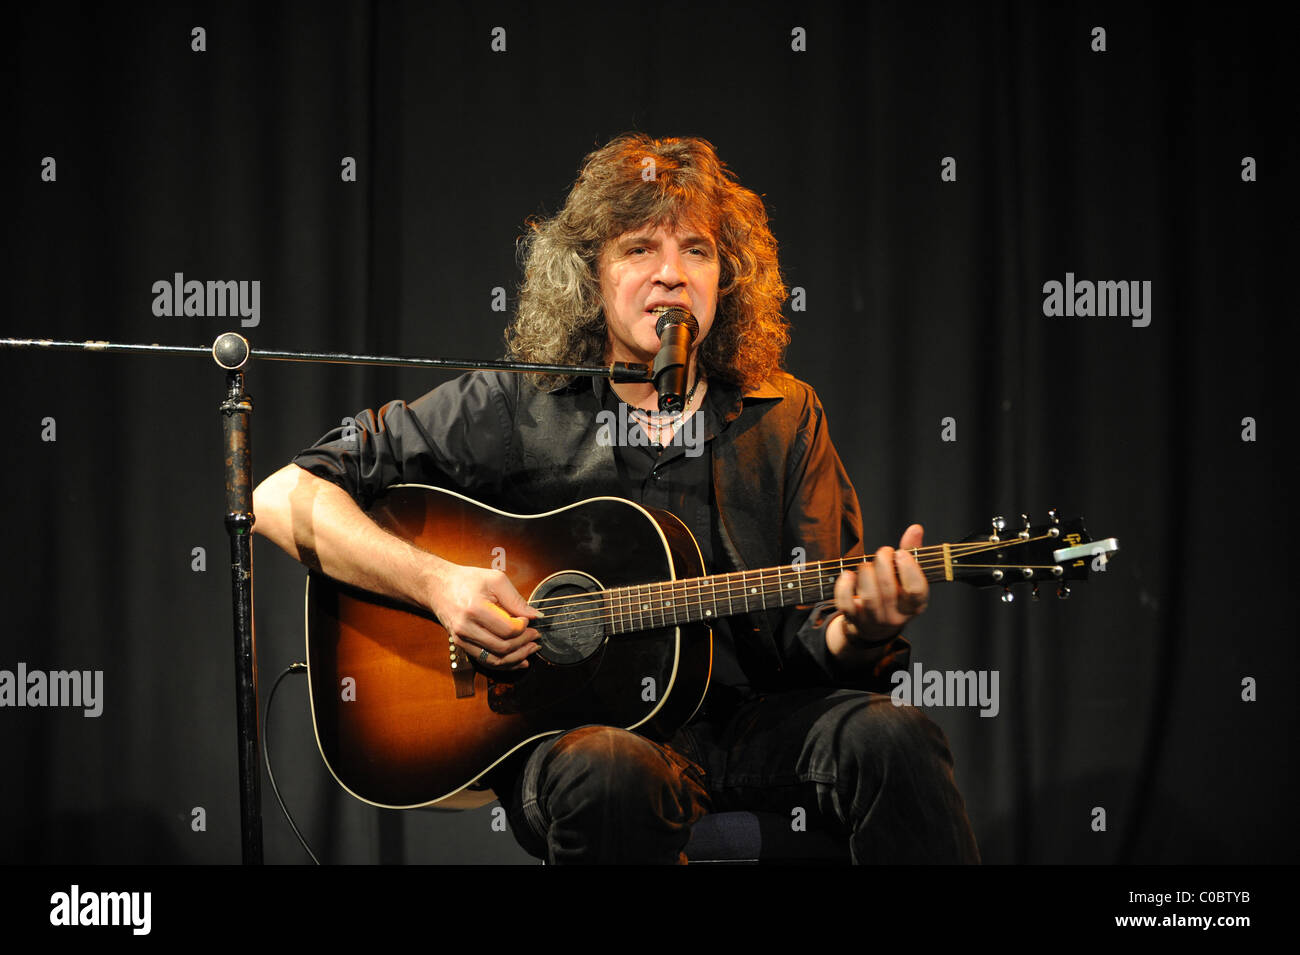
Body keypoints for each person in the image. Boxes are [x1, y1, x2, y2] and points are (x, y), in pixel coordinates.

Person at [253, 133, 980, 864]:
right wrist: (440, 584)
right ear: (590, 274)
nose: (671, 274)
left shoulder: (786, 416)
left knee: (893, 735)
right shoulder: (517, 406)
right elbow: (281, 495)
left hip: (752, 728)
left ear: (725, 276)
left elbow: (814, 639)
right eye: (639, 249)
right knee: (612, 769)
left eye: (696, 249)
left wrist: (860, 629)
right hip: (582, 745)